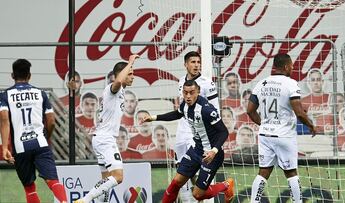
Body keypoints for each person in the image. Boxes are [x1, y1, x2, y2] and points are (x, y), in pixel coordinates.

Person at [141, 80, 235, 203]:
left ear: (198, 92)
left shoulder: (207, 110)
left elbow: (223, 132)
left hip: (211, 156)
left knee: (197, 194)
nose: (188, 96)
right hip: (196, 150)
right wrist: (153, 118)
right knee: (176, 182)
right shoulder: (184, 105)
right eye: (185, 93)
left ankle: (226, 185)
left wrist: (213, 151)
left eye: (191, 93)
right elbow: (176, 114)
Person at [247, 53, 316, 203]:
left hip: (265, 135)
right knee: (291, 173)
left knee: (263, 172)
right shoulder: (290, 84)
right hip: (284, 136)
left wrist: (264, 124)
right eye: (291, 65)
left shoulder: (262, 83)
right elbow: (299, 112)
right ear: (285, 66)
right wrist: (311, 125)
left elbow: (250, 110)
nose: (292, 68)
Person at [74, 54, 139, 203]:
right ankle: (84, 200)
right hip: (105, 139)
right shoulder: (112, 89)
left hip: (101, 138)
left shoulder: (120, 92)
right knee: (118, 176)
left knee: (106, 181)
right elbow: (118, 81)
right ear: (120, 75)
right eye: (130, 73)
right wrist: (130, 62)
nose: (133, 77)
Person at [0, 59, 67, 203]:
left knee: (29, 187)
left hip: (20, 146)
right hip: (41, 143)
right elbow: (52, 121)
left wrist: (5, 147)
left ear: (12, 75)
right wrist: (46, 136)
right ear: (29, 75)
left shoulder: (6, 95)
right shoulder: (40, 94)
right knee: (52, 180)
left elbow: (4, 119)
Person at [175, 51, 220, 202]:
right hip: (182, 132)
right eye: (193, 62)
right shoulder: (181, 81)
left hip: (198, 134)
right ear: (185, 64)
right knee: (181, 174)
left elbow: (215, 111)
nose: (196, 65)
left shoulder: (208, 83)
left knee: (197, 174)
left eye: (198, 62)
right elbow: (181, 110)